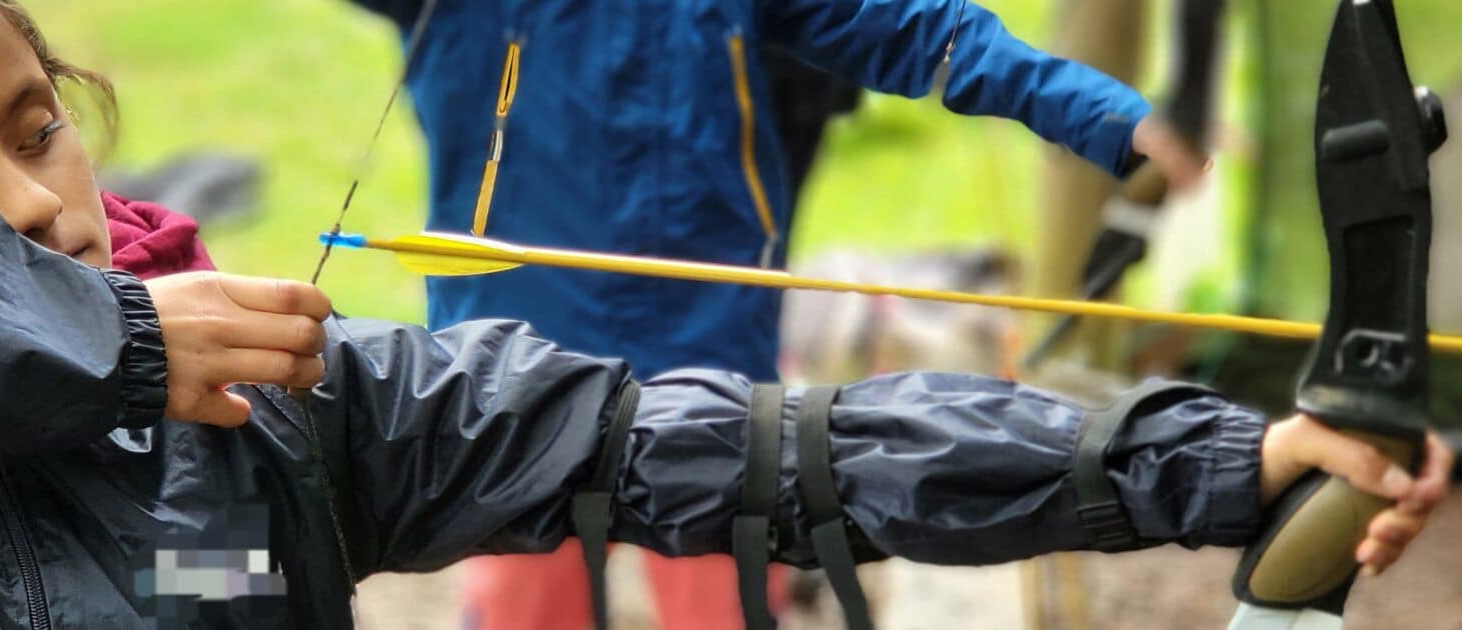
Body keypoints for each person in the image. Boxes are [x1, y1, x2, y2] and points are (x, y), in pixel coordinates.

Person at [0, 1, 1454, 629]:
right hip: (508, 310)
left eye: (37, 127)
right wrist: (112, 341)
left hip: (609, 373)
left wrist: (1223, 458)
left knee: (720, 548)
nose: (43, 207)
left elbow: (782, 440)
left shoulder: (274, 414)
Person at [335, 1, 1210, 626]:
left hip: (705, 349)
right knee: (525, 608)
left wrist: (1109, 117)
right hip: (511, 365)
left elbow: (920, 28)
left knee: (719, 600)